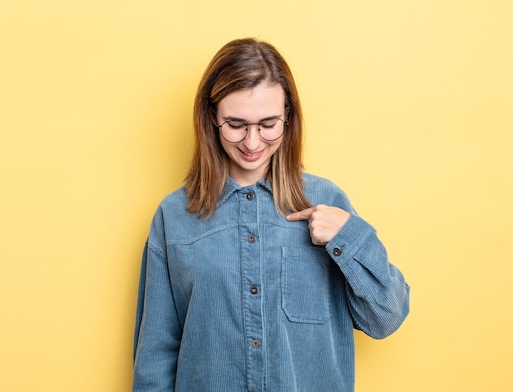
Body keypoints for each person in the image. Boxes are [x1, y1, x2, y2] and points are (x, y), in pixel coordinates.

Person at [132, 37, 410, 392]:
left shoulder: (327, 201)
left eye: (268, 124)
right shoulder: (174, 217)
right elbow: (155, 358)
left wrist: (349, 237)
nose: (252, 143)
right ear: (211, 118)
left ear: (288, 117)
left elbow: (385, 317)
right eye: (235, 124)